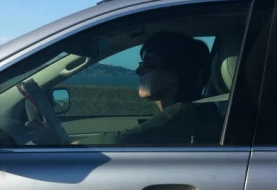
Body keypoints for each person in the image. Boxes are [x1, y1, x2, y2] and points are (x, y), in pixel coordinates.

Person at [27, 30, 223, 145]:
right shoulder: (193, 113)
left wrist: (60, 145)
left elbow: (124, 140)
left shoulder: (183, 113)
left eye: (148, 64)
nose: (138, 71)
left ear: (173, 73)